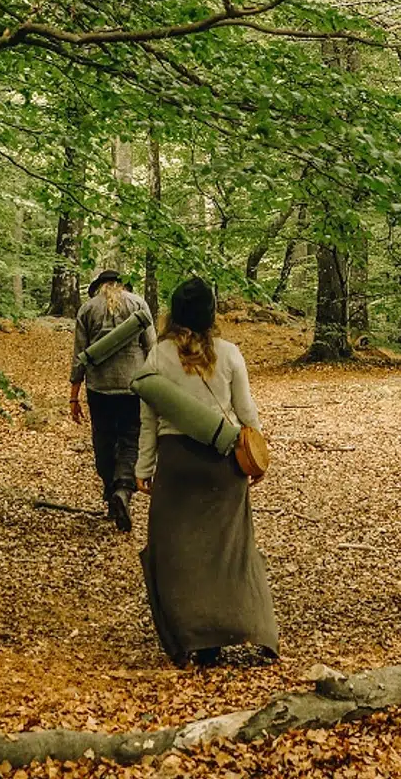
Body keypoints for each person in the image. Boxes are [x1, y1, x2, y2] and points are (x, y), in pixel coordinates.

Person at [135, 277, 279, 667]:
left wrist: (143, 467)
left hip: (177, 463)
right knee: (229, 549)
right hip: (222, 463)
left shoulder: (158, 356)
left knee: (176, 551)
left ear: (174, 312)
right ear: (211, 313)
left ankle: (193, 637)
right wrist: (258, 453)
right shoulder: (230, 354)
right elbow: (246, 412)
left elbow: (149, 419)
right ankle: (243, 626)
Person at [71, 269, 156, 532]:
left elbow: (79, 356)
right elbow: (152, 346)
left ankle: (111, 493)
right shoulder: (138, 304)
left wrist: (73, 396)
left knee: (104, 440)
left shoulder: (87, 309)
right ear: (121, 285)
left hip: (99, 388)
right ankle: (122, 489)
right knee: (131, 440)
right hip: (134, 386)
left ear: (98, 287)